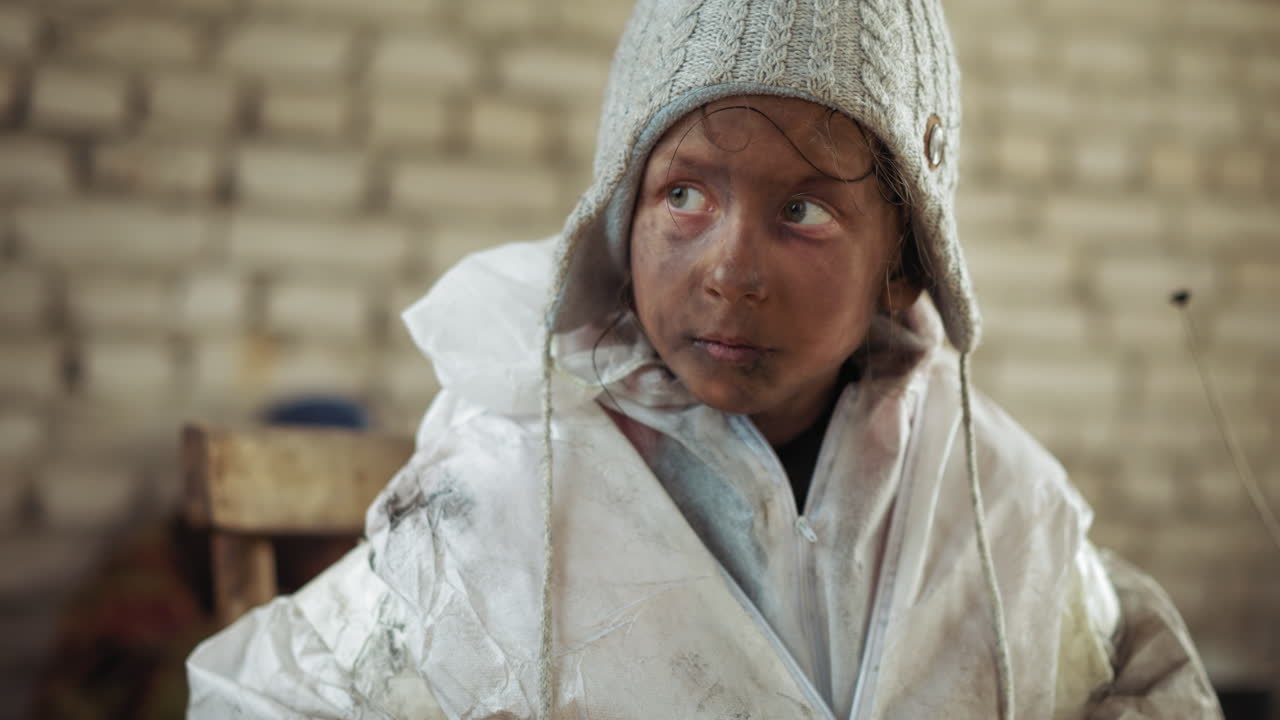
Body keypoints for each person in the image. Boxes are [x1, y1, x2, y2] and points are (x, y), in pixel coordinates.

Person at [186, 0, 1224, 717]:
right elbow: (264, 697)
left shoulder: (994, 511)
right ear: (619, 219)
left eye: (803, 210)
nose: (728, 270)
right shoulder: (502, 494)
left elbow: (1140, 680)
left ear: (902, 266)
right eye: (682, 194)